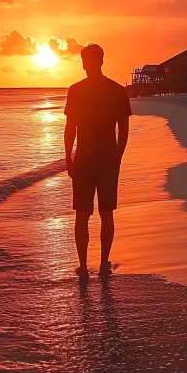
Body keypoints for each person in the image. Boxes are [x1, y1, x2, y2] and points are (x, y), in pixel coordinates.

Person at [64, 43, 132, 279]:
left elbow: (70, 129)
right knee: (106, 213)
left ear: (89, 62)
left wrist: (69, 157)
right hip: (106, 158)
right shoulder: (117, 90)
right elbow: (124, 130)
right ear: (101, 61)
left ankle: (83, 266)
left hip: (84, 158)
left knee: (82, 215)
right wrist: (118, 157)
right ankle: (103, 264)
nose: (85, 65)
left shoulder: (76, 90)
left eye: (86, 60)